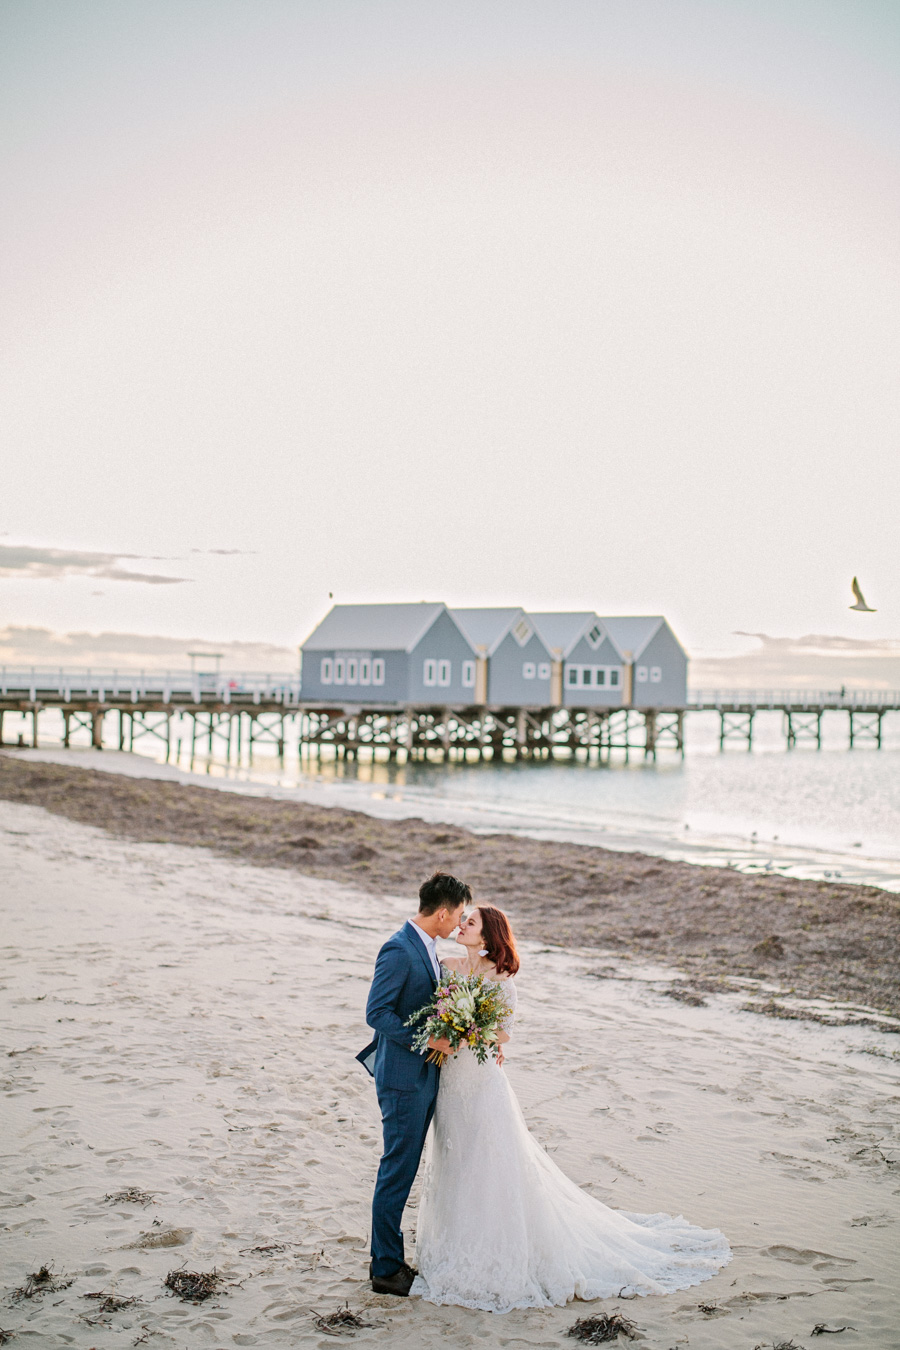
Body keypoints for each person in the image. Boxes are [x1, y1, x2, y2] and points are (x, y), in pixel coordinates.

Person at [410, 904, 732, 1313]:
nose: (461, 925)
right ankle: (453, 1247)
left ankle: (499, 1251)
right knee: (455, 1158)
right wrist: (447, 1024)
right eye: (463, 919)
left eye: (469, 922)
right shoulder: (449, 966)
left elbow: (505, 1033)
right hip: (452, 1081)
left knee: (489, 1161)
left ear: (489, 937)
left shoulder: (502, 980)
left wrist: (468, 1028)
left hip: (482, 1078)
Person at [357, 871, 470, 1297]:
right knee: (397, 1170)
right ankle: (386, 1268)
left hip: (424, 1076)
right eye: (458, 914)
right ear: (442, 912)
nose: (459, 922)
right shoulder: (399, 948)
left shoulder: (429, 947)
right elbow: (377, 1013)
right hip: (403, 1079)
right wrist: (427, 1040)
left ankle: (390, 1258)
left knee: (405, 1168)